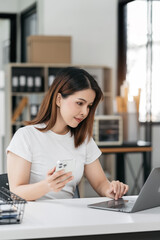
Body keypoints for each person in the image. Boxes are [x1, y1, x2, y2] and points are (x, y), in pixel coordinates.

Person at [7, 67, 128, 201]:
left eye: (89, 106)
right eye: (79, 103)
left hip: (71, 218)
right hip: (35, 218)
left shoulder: (83, 139)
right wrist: (47, 185)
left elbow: (100, 183)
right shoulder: (26, 136)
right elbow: (16, 193)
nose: (85, 112)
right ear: (59, 99)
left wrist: (111, 189)